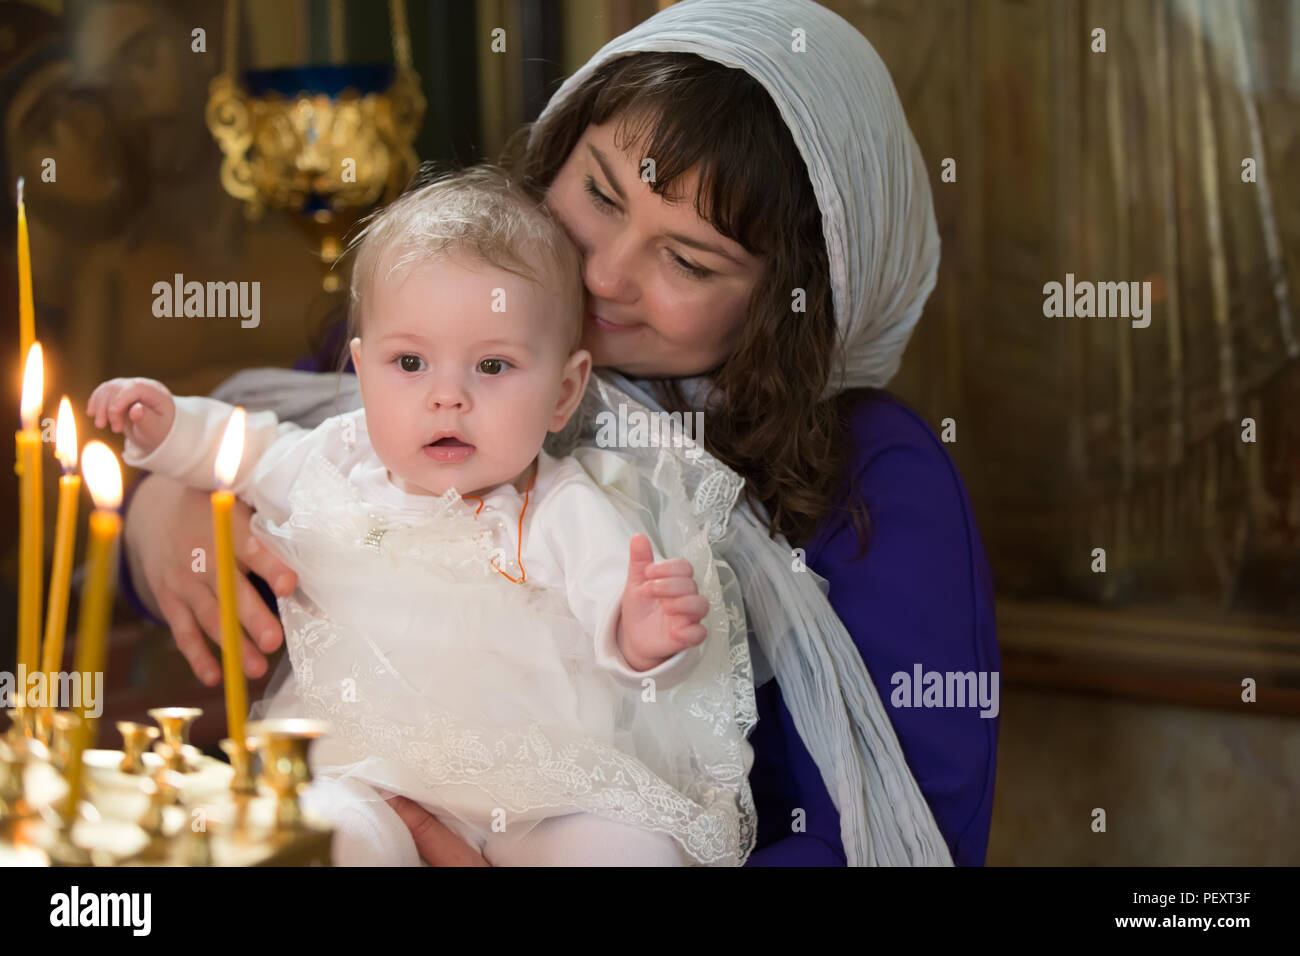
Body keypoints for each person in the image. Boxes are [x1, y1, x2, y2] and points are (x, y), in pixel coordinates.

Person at [117, 0, 999, 866]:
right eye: (600, 195)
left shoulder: (880, 479)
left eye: (688, 260)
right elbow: (254, 468)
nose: (606, 274)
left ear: (792, 305)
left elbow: (904, 832)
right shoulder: (435, 331)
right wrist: (160, 512)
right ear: (557, 148)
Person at [89, 165, 756, 866]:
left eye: (492, 368)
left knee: (630, 847)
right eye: (409, 362)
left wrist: (641, 632)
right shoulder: (334, 462)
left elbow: (610, 601)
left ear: (564, 392)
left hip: (537, 790)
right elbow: (241, 448)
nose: (448, 397)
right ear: (361, 369)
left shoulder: (564, 504)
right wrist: (166, 427)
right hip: (360, 768)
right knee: (326, 834)